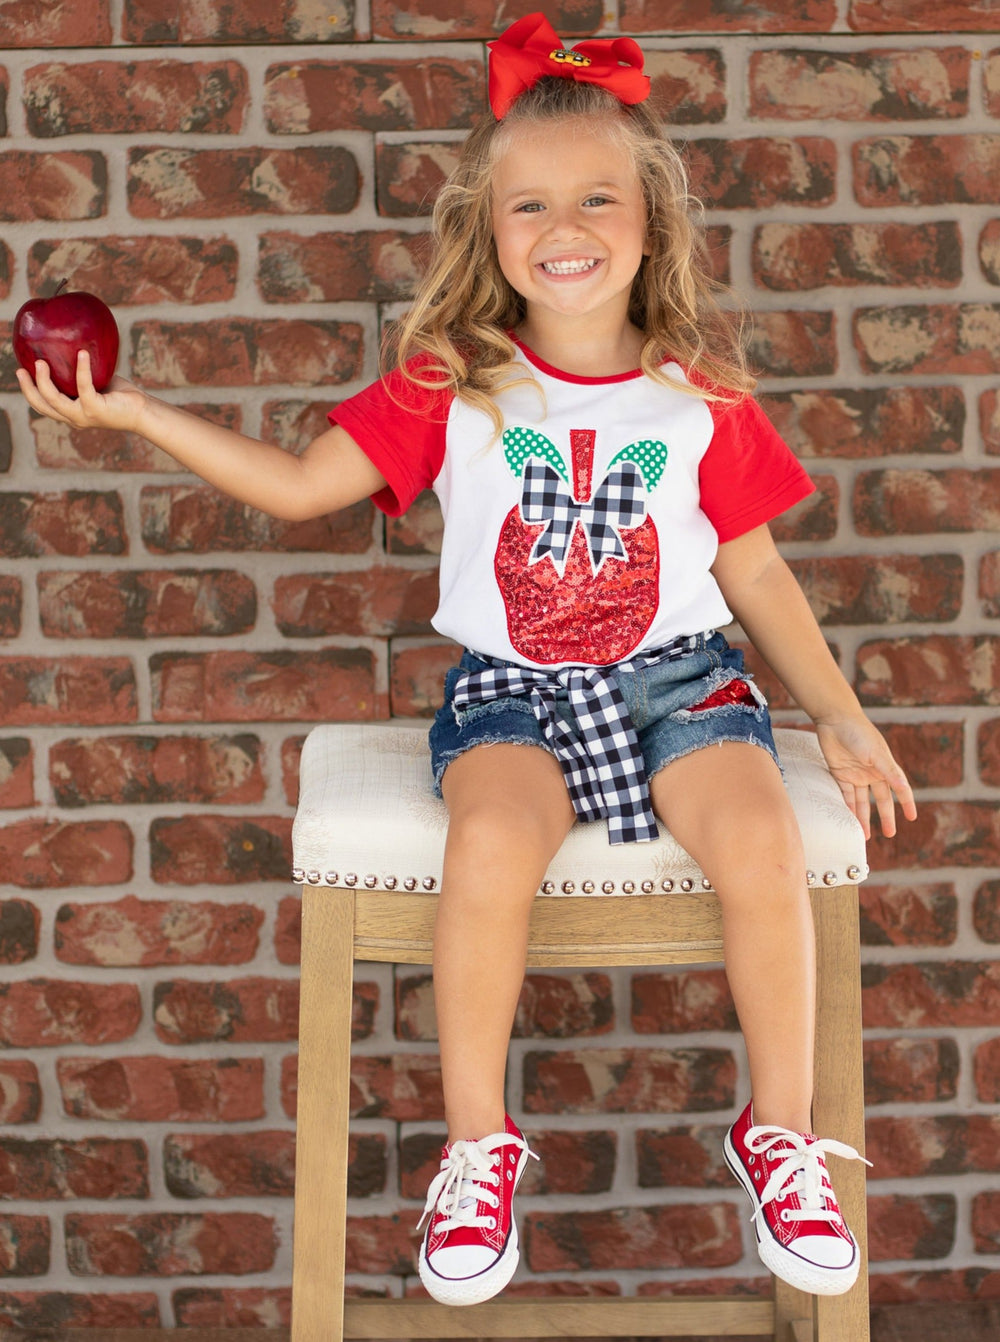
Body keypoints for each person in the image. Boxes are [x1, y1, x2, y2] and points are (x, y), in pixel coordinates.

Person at [18, 11, 915, 1310]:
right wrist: (138, 412)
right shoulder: (453, 382)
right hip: (513, 694)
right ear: (488, 232)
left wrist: (838, 714)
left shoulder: (700, 395)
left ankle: (778, 1135)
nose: (565, 225)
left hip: (682, 680)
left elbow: (757, 572)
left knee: (762, 836)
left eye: (597, 197)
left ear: (651, 222)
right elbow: (298, 486)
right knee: (489, 842)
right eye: (529, 203)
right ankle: (479, 1149)